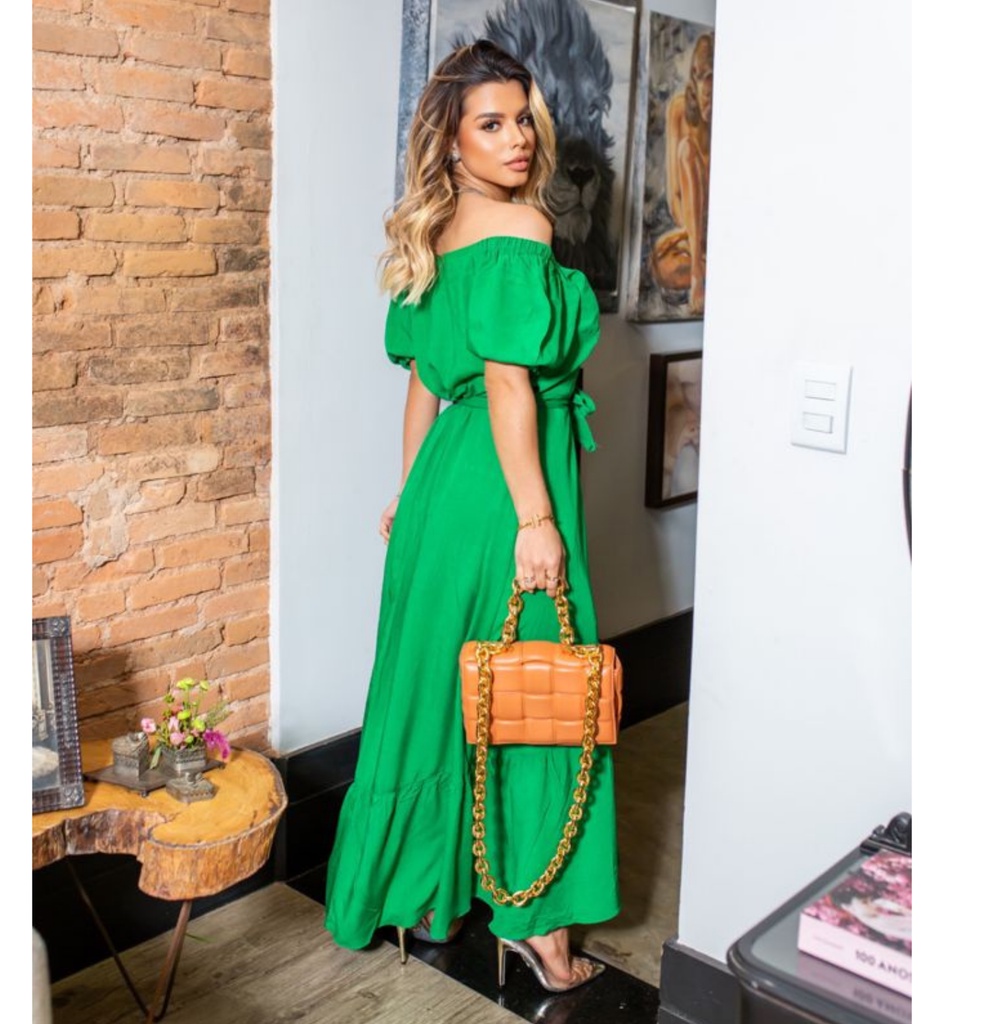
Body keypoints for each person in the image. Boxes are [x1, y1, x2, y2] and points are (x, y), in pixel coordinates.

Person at [324, 40, 619, 993]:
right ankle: (539, 926)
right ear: (451, 142)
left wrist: (410, 493)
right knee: (538, 694)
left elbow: (423, 382)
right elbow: (505, 383)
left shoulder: (436, 232)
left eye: (522, 119)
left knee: (438, 690)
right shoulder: (521, 227)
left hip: (444, 489)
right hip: (506, 486)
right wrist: (537, 519)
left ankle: (422, 893)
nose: (517, 138)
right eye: (491, 124)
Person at [650, 33, 714, 315]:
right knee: (662, 264)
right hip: (691, 228)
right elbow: (676, 201)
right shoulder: (678, 110)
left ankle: (701, 272)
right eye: (708, 96)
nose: (711, 107)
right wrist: (690, 236)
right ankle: (704, 268)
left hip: (719, 231)